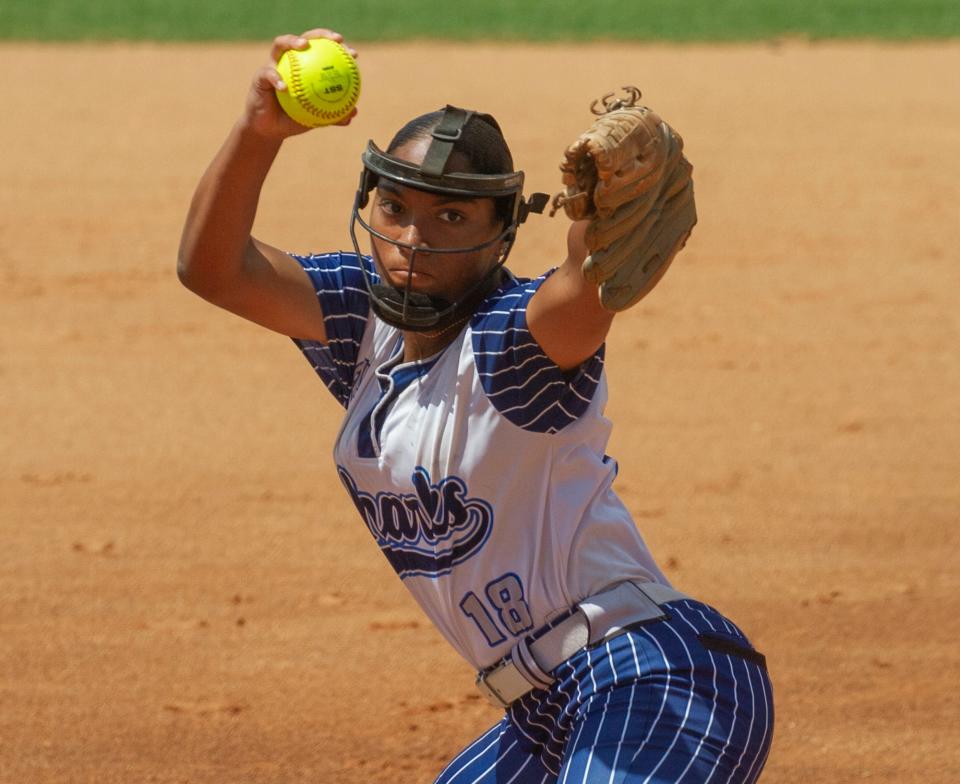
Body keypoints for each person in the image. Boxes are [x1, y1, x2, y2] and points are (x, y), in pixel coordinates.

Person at [178, 29, 774, 784]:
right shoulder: (366, 324)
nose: (412, 241)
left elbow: (583, 291)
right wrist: (258, 130)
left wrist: (597, 229)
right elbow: (215, 269)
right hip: (544, 713)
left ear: (500, 236)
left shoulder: (510, 344)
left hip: (656, 676)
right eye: (394, 207)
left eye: (452, 218)